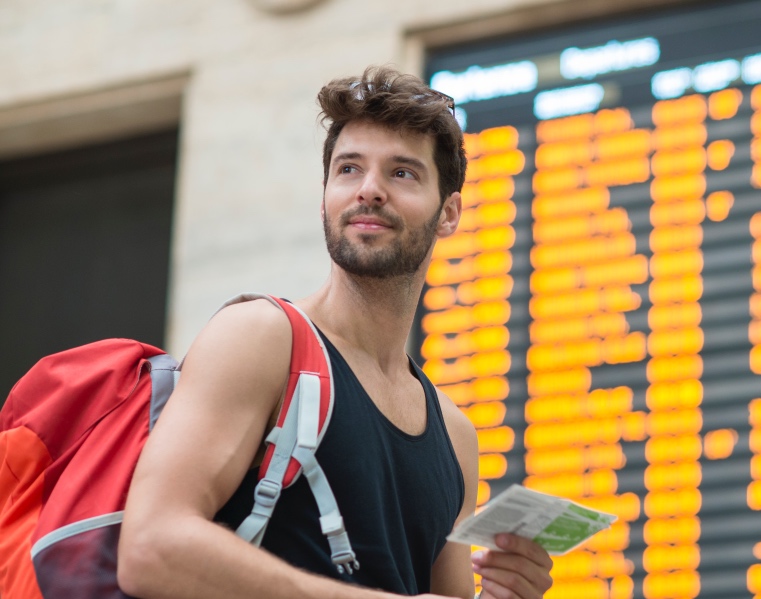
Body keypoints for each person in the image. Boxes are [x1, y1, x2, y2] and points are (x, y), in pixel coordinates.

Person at [117, 66, 554, 599]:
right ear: (325, 193)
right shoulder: (260, 338)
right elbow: (151, 548)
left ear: (449, 213)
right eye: (349, 169)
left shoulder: (456, 437)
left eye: (403, 173)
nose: (369, 190)